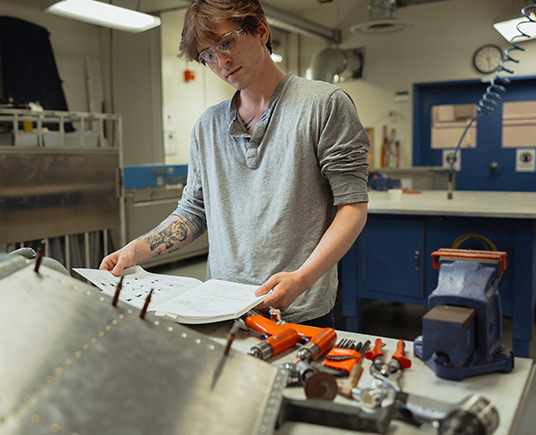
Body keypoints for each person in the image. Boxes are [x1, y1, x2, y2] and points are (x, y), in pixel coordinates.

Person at [99, 0, 369, 327]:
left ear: (261, 30)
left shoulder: (323, 106)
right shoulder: (207, 126)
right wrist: (135, 251)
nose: (221, 61)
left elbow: (352, 207)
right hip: (221, 310)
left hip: (298, 312)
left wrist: (302, 279)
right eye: (207, 56)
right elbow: (193, 213)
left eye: (226, 43)